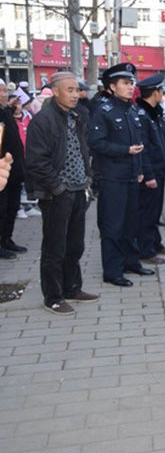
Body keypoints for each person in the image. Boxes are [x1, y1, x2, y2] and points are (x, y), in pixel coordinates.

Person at [24, 72, 99, 315]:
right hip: (57, 193)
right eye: (69, 90)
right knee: (55, 247)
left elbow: (82, 151)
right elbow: (36, 161)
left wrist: (87, 180)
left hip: (79, 190)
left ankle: (72, 287)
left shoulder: (77, 117)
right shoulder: (43, 121)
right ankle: (53, 297)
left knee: (75, 245)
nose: (75, 94)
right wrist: (57, 187)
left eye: (77, 90)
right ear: (55, 91)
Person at [88, 62, 153, 287]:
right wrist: (124, 151)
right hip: (112, 177)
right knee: (112, 225)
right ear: (112, 87)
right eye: (125, 83)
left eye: (131, 83)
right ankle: (113, 271)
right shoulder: (103, 110)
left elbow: (139, 144)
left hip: (131, 176)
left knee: (130, 223)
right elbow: (96, 144)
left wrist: (140, 171)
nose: (130, 87)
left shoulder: (132, 109)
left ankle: (131, 261)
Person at [135, 74, 165, 265]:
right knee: (147, 212)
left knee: (155, 210)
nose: (163, 95)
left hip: (159, 168)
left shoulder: (154, 112)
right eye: (161, 91)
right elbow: (143, 149)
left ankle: (155, 243)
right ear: (155, 93)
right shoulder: (141, 114)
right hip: (151, 172)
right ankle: (146, 250)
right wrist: (148, 174)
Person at [0, 89, 27, 257]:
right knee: (1, 209)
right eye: (1, 91)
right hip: (2, 170)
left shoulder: (4, 112)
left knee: (12, 207)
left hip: (15, 170)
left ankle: (6, 239)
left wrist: (9, 108)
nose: (4, 93)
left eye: (4, 91)